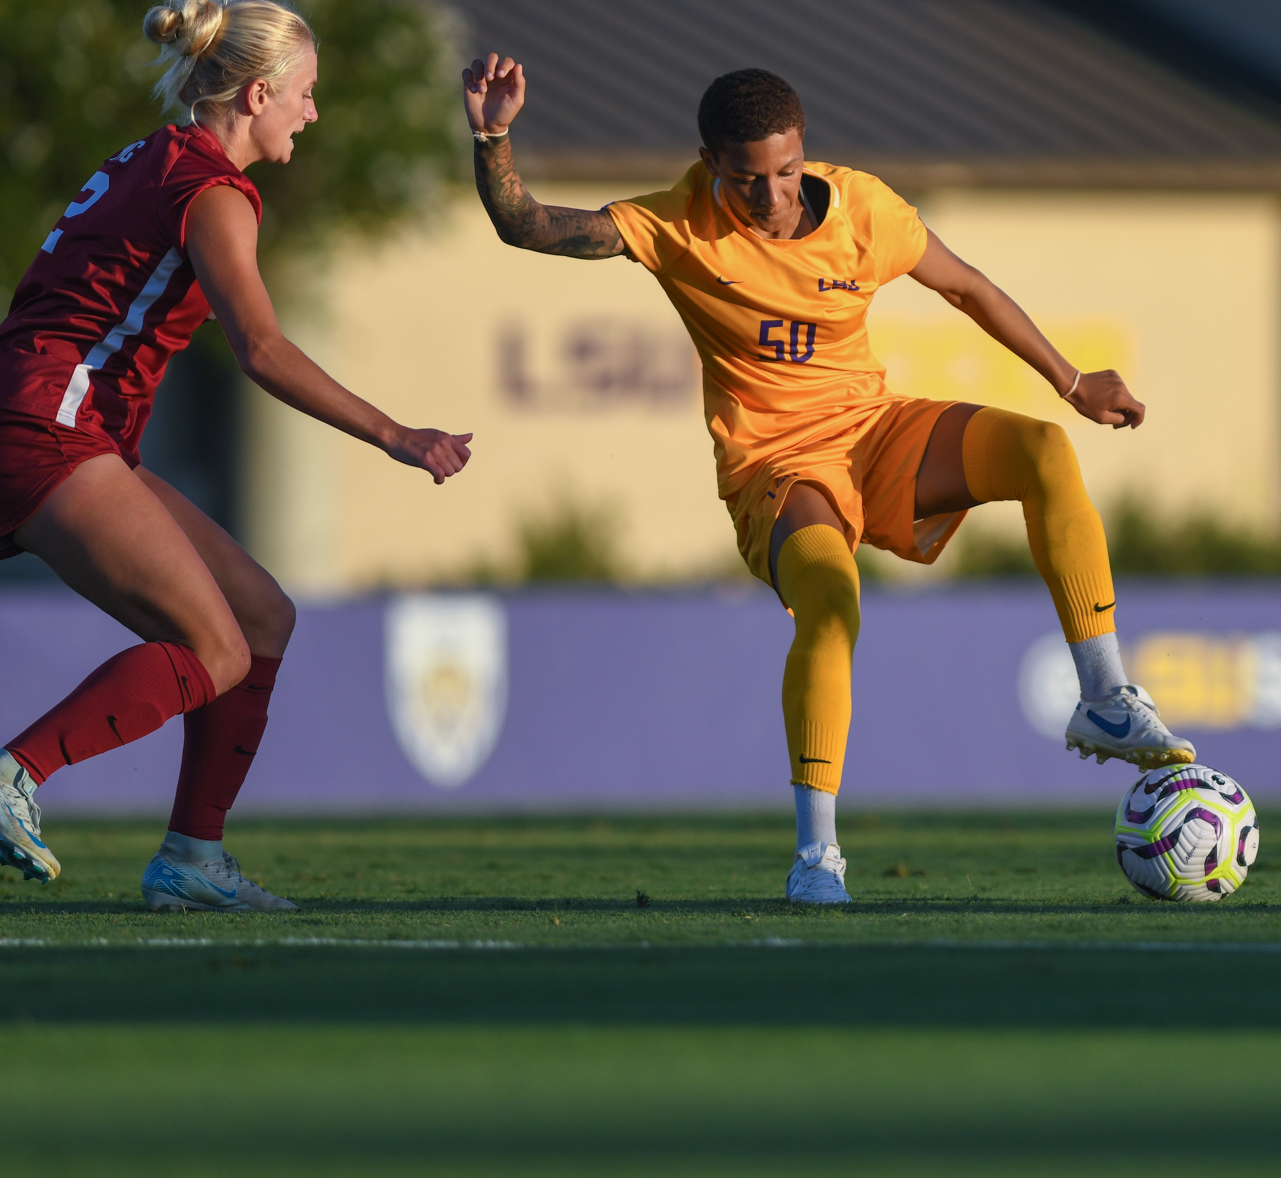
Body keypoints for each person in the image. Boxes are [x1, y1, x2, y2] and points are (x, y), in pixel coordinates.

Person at [462, 55, 1193, 905]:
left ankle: (1103, 695)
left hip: (874, 430)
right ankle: (819, 858)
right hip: (774, 465)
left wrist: (1072, 383)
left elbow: (966, 287)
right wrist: (492, 135)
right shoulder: (675, 225)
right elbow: (529, 224)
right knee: (832, 598)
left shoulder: (864, 210)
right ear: (709, 165)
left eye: (785, 170)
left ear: (804, 150)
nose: (771, 195)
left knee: (1044, 450)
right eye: (746, 179)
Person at [0, 0, 472, 911]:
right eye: (304, 90)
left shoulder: (153, 157)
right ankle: (12, 771)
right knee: (211, 647)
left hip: (45, 415)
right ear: (257, 94)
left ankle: (192, 857)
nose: (313, 110)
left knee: (260, 619)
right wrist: (396, 433)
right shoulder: (214, 193)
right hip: (46, 419)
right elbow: (261, 349)